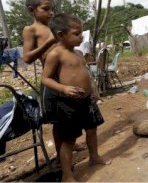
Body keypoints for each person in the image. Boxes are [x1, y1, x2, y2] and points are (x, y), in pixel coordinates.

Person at [42, 13, 111, 182]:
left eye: (81, 33)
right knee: (69, 140)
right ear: (60, 35)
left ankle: (94, 157)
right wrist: (63, 88)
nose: (81, 37)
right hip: (67, 103)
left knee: (92, 130)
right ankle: (67, 175)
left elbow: (85, 73)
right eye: (76, 33)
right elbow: (46, 79)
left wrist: (93, 91)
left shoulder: (79, 53)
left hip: (86, 101)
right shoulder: (55, 54)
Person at [22, 0, 87, 163]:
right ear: (31, 10)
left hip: (66, 76)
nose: (51, 12)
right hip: (51, 79)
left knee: (72, 115)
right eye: (46, 9)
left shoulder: (57, 26)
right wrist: (49, 42)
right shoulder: (31, 30)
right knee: (59, 121)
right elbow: (27, 58)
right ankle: (61, 156)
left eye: (52, 9)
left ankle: (70, 144)